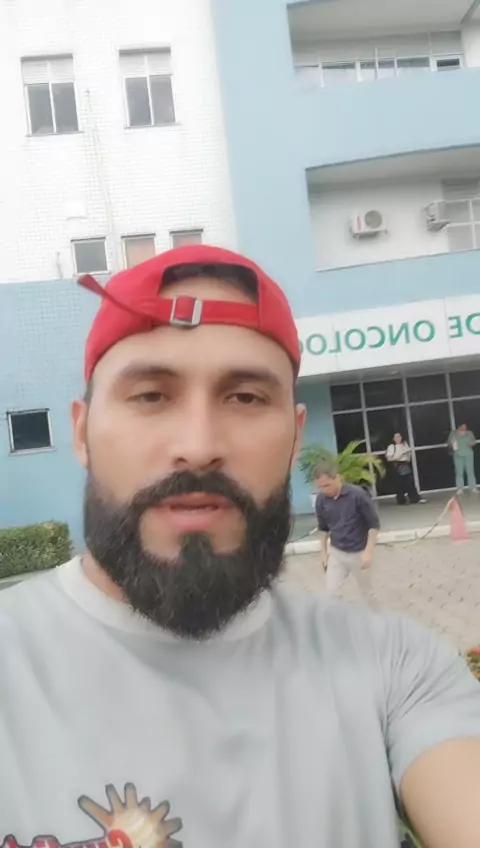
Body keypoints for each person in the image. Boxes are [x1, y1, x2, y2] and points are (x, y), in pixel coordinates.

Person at [1, 244, 480, 848]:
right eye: (150, 395)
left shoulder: (395, 671)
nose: (199, 446)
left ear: (295, 437)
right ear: (81, 433)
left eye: (246, 397)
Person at [314, 459, 380, 605]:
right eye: (320, 487)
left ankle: (377, 617)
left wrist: (368, 552)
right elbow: (323, 529)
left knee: (368, 594)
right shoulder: (321, 500)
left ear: (337, 478)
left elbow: (374, 525)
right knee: (330, 593)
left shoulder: (358, 495)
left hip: (359, 552)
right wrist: (323, 553)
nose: (324, 490)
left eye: (327, 485)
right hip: (337, 552)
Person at [385, 432, 427, 505]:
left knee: (410, 482)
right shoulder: (392, 447)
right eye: (396, 437)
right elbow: (389, 459)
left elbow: (408, 455)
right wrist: (401, 455)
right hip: (397, 465)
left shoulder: (405, 445)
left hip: (405, 464)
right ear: (393, 439)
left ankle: (415, 498)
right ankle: (401, 500)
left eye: (399, 437)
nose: (398, 438)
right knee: (399, 484)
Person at [448, 423, 478, 494]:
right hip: (458, 455)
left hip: (468, 454)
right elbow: (449, 442)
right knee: (459, 472)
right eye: (463, 426)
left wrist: (470, 443)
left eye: (465, 426)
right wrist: (452, 442)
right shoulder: (454, 433)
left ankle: (473, 487)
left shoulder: (469, 433)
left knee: (470, 471)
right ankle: (460, 488)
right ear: (459, 426)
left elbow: (473, 442)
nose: (464, 428)